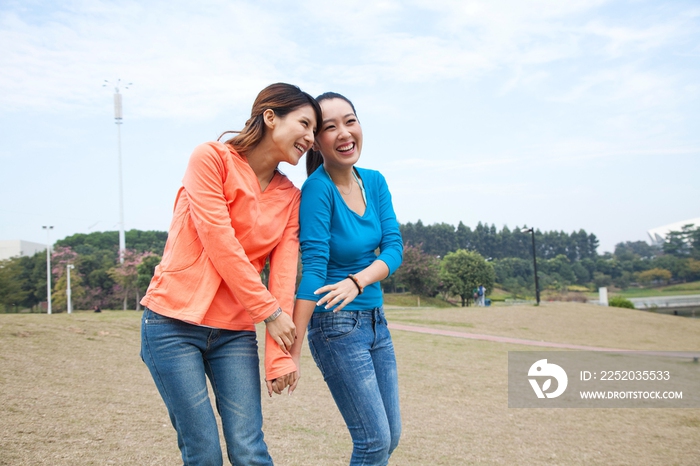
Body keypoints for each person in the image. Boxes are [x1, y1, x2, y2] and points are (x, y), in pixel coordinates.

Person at [139, 83, 321, 466]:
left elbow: (284, 274)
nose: (310, 137)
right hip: (171, 323)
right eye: (304, 123)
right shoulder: (211, 158)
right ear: (270, 116)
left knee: (249, 449)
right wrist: (269, 313)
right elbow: (219, 241)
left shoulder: (291, 197)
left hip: (234, 331)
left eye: (313, 131)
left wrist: (278, 357)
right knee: (202, 449)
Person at [289, 92, 403, 465]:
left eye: (350, 120)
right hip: (336, 326)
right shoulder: (317, 190)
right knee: (373, 442)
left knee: (390, 437)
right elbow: (314, 270)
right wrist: (292, 350)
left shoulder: (375, 181)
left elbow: (393, 250)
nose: (344, 132)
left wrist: (357, 281)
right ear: (317, 142)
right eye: (330, 127)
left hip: (376, 322)